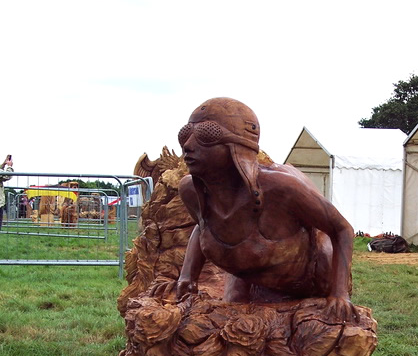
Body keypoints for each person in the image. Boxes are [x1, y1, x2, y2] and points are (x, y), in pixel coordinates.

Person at [150, 97, 357, 321]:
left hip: (309, 281)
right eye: (185, 134)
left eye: (206, 135)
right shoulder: (191, 189)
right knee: (230, 326)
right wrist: (187, 278)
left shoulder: (281, 188)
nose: (187, 145)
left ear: (237, 147)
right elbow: (204, 225)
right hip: (247, 277)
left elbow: (342, 229)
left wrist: (339, 293)